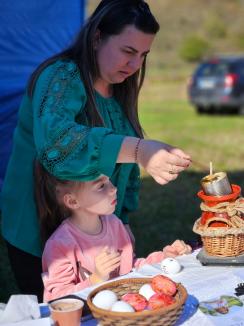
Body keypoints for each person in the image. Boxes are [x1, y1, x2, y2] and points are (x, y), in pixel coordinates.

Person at [1, 0, 191, 302]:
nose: (135, 65)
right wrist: (140, 150)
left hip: (95, 230)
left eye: (143, 55)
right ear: (97, 37)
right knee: (59, 310)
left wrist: (121, 223)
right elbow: (57, 145)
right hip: (37, 224)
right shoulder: (60, 76)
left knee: (103, 304)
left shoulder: (119, 92)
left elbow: (123, 172)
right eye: (128, 51)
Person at [35, 162, 192, 302]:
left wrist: (164, 258)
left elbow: (130, 268)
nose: (113, 189)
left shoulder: (114, 224)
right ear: (73, 201)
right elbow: (57, 299)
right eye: (101, 186)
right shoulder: (60, 245)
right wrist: (96, 278)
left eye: (109, 181)